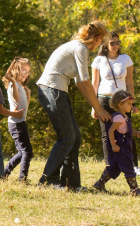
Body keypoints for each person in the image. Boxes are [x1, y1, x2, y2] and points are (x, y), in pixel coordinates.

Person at [37, 20, 112, 190]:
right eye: (103, 41)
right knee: (67, 137)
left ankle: (71, 184)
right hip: (52, 90)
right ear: (98, 38)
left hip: (59, 91)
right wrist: (99, 109)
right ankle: (47, 181)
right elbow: (85, 83)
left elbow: (80, 82)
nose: (101, 45)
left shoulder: (80, 49)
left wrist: (96, 107)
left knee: (75, 137)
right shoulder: (80, 48)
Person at [91, 31, 139, 175]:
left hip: (122, 101)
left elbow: (130, 83)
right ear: (105, 44)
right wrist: (94, 107)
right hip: (104, 99)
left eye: (118, 42)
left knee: (127, 131)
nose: (115, 45)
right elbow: (94, 84)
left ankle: (133, 165)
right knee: (107, 133)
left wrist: (132, 102)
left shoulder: (126, 59)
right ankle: (110, 166)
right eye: (112, 43)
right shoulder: (98, 60)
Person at [93, 90, 140, 196]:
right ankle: (134, 190)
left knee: (115, 167)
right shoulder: (118, 117)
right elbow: (111, 131)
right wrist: (113, 144)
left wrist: (136, 132)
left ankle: (99, 184)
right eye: (128, 104)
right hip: (121, 147)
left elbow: (127, 129)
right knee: (128, 166)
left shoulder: (124, 116)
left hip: (124, 146)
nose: (130, 106)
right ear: (120, 104)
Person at [2, 57, 33, 182]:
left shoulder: (20, 86)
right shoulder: (12, 84)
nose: (26, 74)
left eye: (27, 71)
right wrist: (13, 82)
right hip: (16, 124)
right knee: (27, 152)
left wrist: (28, 94)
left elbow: (25, 107)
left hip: (20, 122)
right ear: (15, 70)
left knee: (22, 152)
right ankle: (22, 178)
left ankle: (4, 173)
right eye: (23, 70)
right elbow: (16, 100)